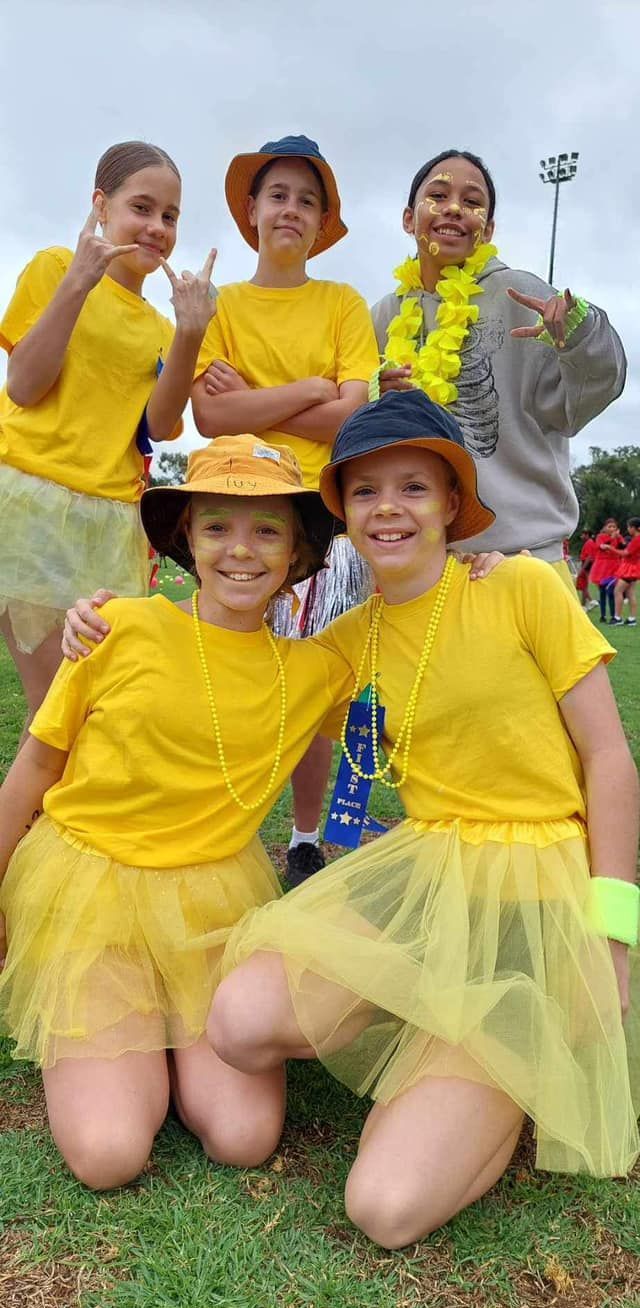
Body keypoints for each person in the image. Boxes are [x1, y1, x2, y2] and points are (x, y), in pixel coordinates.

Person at [209, 389, 640, 1250]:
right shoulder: (348, 641)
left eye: (413, 487)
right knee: (239, 1023)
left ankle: (508, 1064)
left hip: (537, 896)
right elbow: (228, 664)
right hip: (426, 875)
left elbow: (610, 760)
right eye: (365, 491)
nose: (389, 508)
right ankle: (429, 1012)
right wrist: (108, 624)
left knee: (385, 1208)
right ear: (342, 513)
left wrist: (613, 939)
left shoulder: (521, 585)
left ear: (451, 502)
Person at [0, 435, 353, 1189]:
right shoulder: (116, 627)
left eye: (267, 530)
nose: (241, 550)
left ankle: (162, 1035)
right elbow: (34, 767)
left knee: (244, 1137)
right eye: (217, 525)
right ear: (187, 537)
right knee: (109, 1153)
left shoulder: (317, 671)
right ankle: (123, 1041)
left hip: (211, 905)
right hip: (91, 895)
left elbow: (426, 654)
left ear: (297, 551)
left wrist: (478, 567)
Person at [190, 135, 379, 887]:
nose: (291, 210)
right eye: (278, 195)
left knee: (332, 682)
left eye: (307, 199)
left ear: (323, 219)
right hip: (239, 512)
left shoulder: (342, 304)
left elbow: (354, 415)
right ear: (251, 209)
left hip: (324, 519)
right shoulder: (224, 307)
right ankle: (216, 820)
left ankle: (313, 836)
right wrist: (308, 390)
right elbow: (209, 417)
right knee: (230, 677)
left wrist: (256, 400)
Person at [0, 139, 216, 737]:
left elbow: (160, 427)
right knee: (56, 705)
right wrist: (78, 281)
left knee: (93, 703)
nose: (157, 227)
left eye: (170, 216)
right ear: (101, 205)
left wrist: (190, 334)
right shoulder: (54, 267)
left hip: (111, 522)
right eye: (141, 208)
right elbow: (24, 385)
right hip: (32, 505)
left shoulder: (161, 325)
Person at [370, 150, 626, 581]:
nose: (454, 208)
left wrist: (581, 334)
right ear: (409, 219)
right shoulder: (383, 316)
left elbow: (589, 394)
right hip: (416, 571)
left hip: (523, 563)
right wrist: (373, 393)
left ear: (487, 229)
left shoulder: (521, 294)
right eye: (438, 195)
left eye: (471, 201)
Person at [590, 518, 626, 623]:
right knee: (602, 591)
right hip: (602, 567)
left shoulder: (618, 537)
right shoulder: (600, 537)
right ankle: (603, 615)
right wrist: (611, 538)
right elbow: (602, 547)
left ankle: (613, 615)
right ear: (605, 528)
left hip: (615, 566)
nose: (612, 529)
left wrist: (620, 538)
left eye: (614, 527)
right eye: (609, 526)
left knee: (612, 591)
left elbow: (624, 547)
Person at [612, 517, 640, 626]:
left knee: (617, 591)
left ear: (634, 528)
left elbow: (625, 553)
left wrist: (610, 548)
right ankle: (632, 618)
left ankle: (617, 617)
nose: (628, 529)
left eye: (629, 527)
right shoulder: (636, 539)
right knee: (630, 593)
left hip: (630, 569)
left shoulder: (637, 539)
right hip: (634, 568)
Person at [575, 529, 598, 609]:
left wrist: (583, 568)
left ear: (587, 535)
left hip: (587, 565)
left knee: (584, 585)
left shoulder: (589, 543)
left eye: (583, 535)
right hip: (587, 564)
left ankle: (586, 604)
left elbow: (589, 557)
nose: (581, 536)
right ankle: (586, 603)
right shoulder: (589, 542)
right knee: (583, 585)